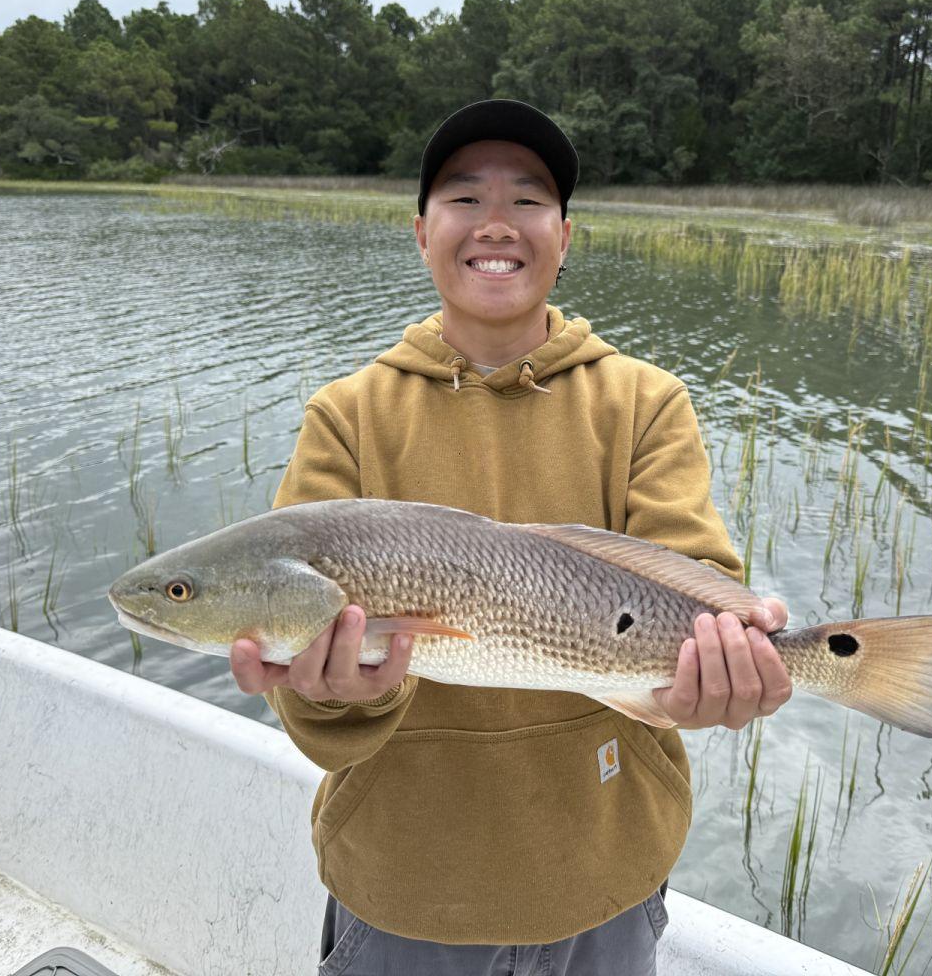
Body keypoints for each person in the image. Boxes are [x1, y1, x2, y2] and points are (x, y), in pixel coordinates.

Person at [229, 99, 792, 975]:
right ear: (420, 232)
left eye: (529, 199)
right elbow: (316, 717)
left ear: (567, 237)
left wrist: (717, 677)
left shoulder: (646, 403)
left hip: (608, 879)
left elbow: (702, 590)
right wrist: (344, 692)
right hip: (401, 887)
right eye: (463, 197)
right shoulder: (346, 418)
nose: (497, 223)